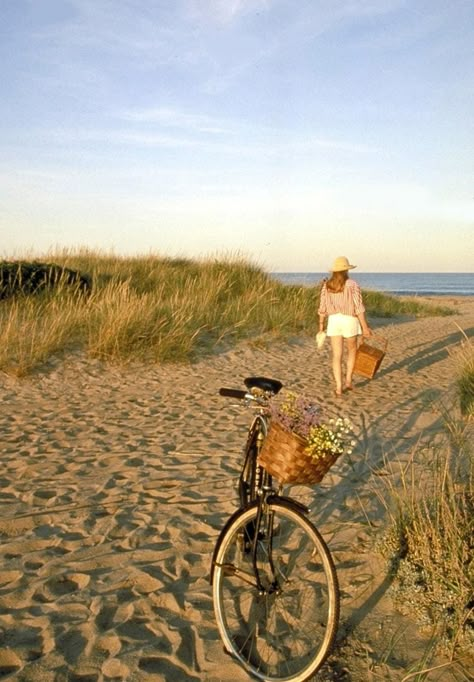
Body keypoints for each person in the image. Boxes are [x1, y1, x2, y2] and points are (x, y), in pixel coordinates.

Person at [318, 256, 372, 397]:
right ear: (347, 269)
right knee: (352, 351)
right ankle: (348, 380)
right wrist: (365, 327)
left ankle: (338, 386)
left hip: (334, 320)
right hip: (349, 320)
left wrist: (321, 326)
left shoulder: (326, 285)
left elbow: (322, 307)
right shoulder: (352, 284)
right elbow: (359, 307)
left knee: (337, 355)